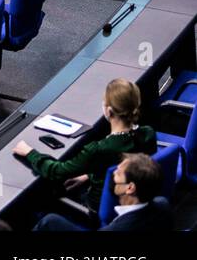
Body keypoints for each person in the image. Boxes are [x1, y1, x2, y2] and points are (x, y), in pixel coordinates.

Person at [14, 78, 157, 207]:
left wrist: (29, 152)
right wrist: (88, 175)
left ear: (109, 110)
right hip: (132, 195)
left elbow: (57, 171)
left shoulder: (99, 149)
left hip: (97, 205)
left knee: (45, 195)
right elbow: (120, 166)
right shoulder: (148, 133)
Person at [35, 153, 175, 231]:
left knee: (49, 221)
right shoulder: (162, 203)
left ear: (130, 188)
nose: (113, 174)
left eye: (118, 173)